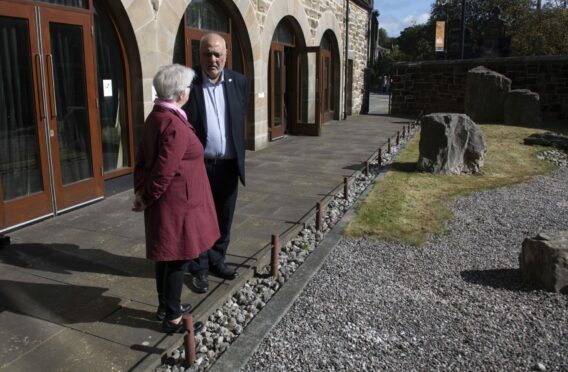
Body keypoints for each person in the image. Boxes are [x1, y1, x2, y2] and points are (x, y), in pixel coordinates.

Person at [133, 64, 219, 333]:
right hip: (177, 206)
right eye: (189, 87)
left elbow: (144, 161)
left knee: (166, 257)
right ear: (181, 93)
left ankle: (165, 306)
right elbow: (162, 171)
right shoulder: (172, 125)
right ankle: (172, 318)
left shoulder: (158, 116)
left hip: (170, 203)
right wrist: (145, 197)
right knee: (177, 259)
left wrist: (142, 193)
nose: (190, 90)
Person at [182, 32, 249, 293]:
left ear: (226, 55)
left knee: (224, 216)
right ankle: (198, 268)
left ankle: (217, 259)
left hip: (229, 165)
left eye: (217, 53)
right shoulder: (188, 84)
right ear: (199, 56)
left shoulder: (239, 82)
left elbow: (238, 116)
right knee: (199, 218)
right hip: (199, 166)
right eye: (207, 53)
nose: (213, 58)